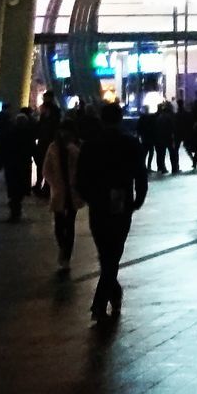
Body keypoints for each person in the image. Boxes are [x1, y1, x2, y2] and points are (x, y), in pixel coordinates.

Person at [75, 102, 148, 319]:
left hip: (98, 203)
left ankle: (111, 294)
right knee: (114, 252)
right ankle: (104, 299)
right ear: (119, 118)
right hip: (121, 202)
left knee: (105, 253)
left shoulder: (90, 145)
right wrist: (138, 199)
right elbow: (140, 175)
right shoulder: (130, 143)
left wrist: (90, 197)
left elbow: (80, 178)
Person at [41, 117, 84, 271]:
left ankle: (66, 256)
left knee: (70, 223)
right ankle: (63, 249)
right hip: (59, 190)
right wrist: (54, 183)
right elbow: (46, 169)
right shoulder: (53, 147)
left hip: (73, 190)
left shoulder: (77, 147)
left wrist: (72, 149)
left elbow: (83, 164)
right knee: (59, 223)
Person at [3, 108, 35, 221]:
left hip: (12, 165)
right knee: (20, 187)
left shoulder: (10, 133)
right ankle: (17, 207)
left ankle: (14, 208)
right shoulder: (28, 134)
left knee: (12, 187)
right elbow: (32, 148)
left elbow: (4, 149)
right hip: (23, 164)